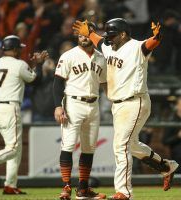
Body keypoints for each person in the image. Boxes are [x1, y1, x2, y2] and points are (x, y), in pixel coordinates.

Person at [73, 18, 179, 200]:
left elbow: (151, 43)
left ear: (123, 34)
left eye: (112, 35)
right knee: (131, 144)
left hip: (135, 101)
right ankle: (166, 166)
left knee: (120, 145)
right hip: (118, 105)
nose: (109, 39)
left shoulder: (137, 47)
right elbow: (99, 40)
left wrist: (158, 36)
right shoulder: (108, 46)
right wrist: (89, 32)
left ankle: (124, 191)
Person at [53, 26, 107, 200]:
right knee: (68, 145)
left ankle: (83, 189)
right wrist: (58, 106)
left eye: (87, 34)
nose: (84, 38)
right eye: (81, 35)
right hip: (73, 103)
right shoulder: (68, 55)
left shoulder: (101, 57)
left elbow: (105, 84)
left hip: (94, 104)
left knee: (89, 148)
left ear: (92, 36)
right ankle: (66, 187)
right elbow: (57, 83)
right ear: (77, 36)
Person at [0, 35, 48, 194]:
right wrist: (39, 65)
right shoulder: (19, 64)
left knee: (16, 148)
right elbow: (35, 80)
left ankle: (10, 185)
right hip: (9, 108)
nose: (21, 51)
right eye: (19, 49)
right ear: (14, 49)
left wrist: (33, 65)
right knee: (14, 148)